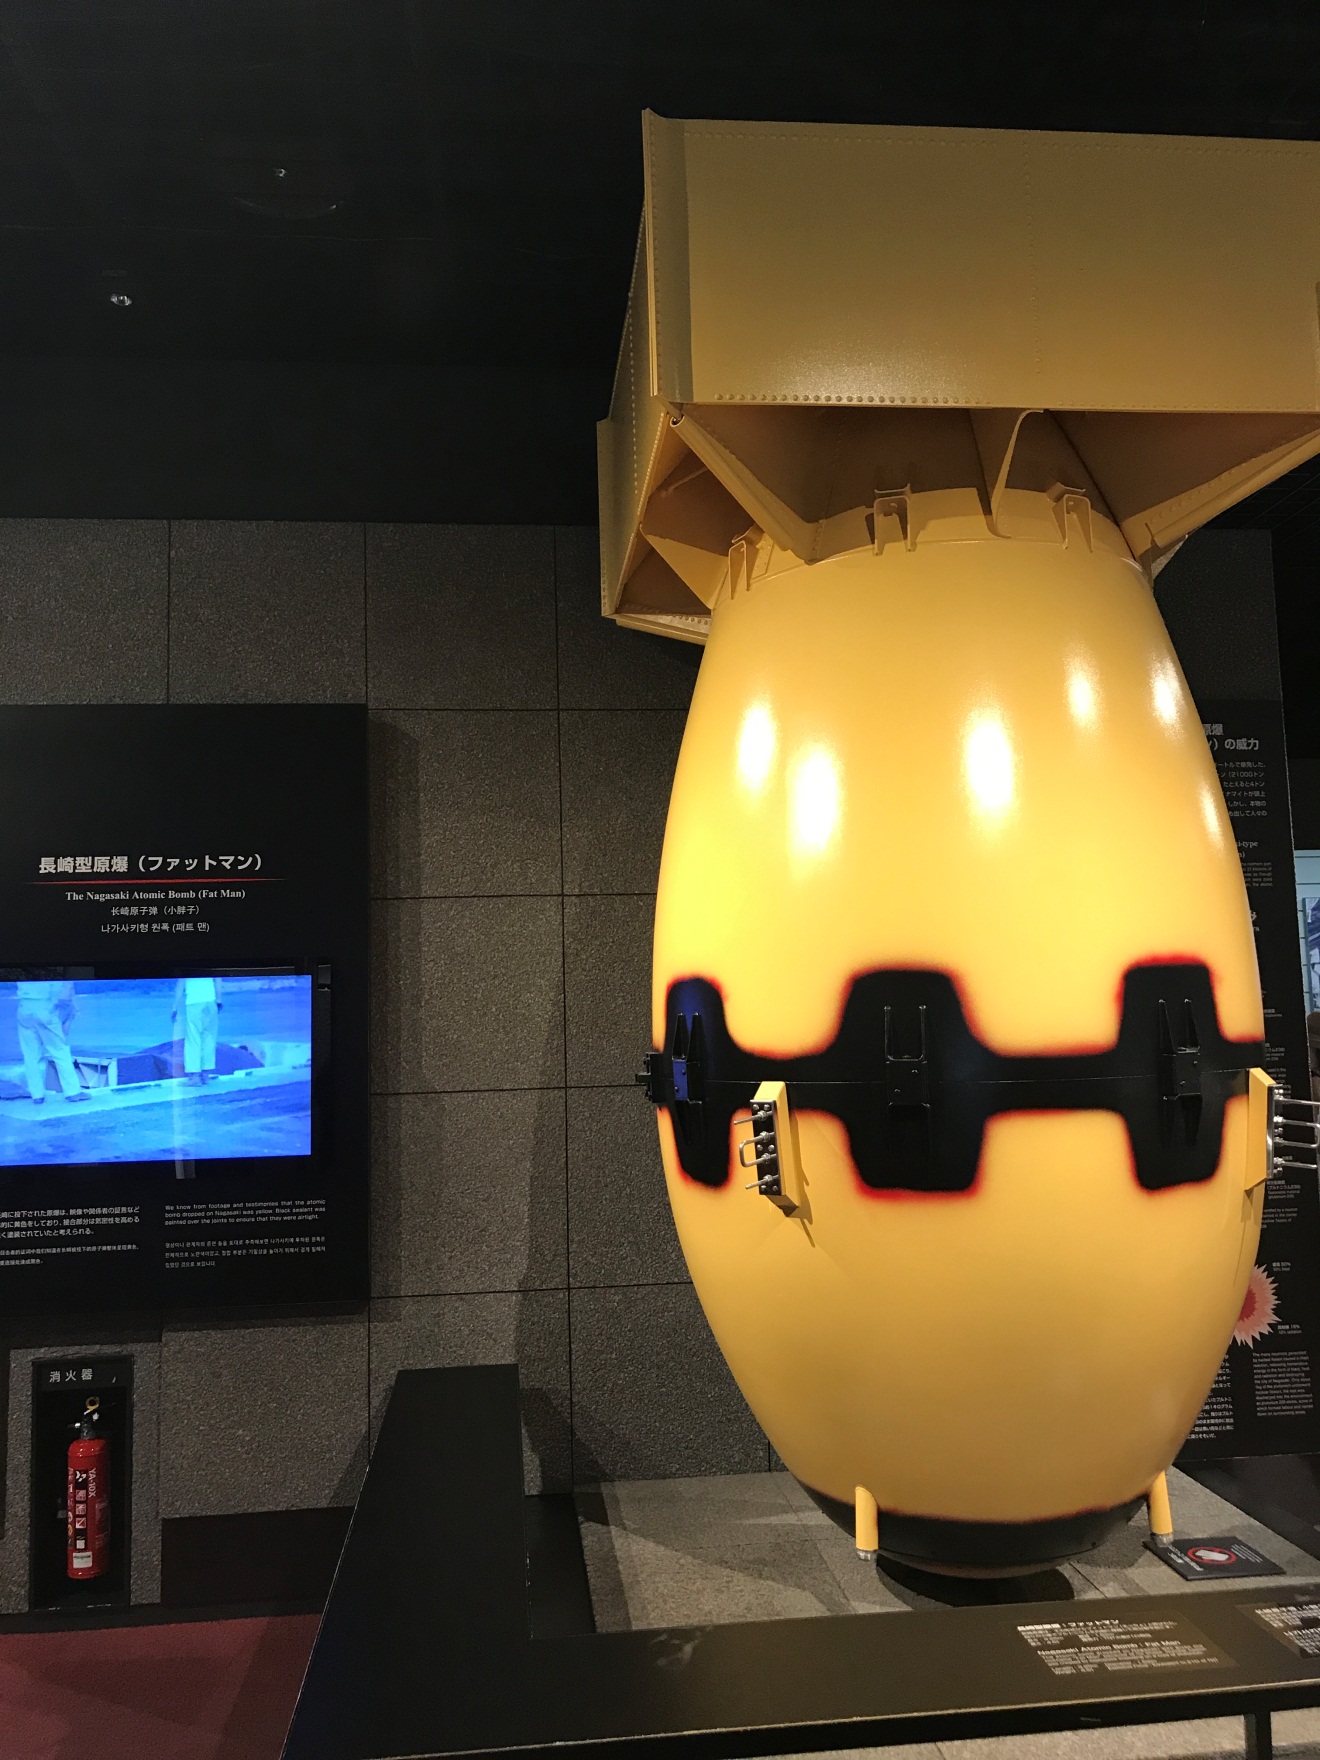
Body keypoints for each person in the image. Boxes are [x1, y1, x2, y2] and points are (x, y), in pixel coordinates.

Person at [15, 981, 87, 1104]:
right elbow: (65, 995)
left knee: (30, 1054)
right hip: (45, 1006)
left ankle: (37, 1095)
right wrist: (68, 1017)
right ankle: (73, 1092)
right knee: (60, 1050)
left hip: (24, 1007)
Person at [173, 976, 221, 1084]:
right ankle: (205, 1074)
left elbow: (181, 984)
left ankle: (195, 1076)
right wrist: (218, 1000)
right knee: (209, 1037)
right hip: (210, 1001)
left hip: (193, 1002)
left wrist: (175, 1007)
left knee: (193, 1038)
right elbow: (217, 979)